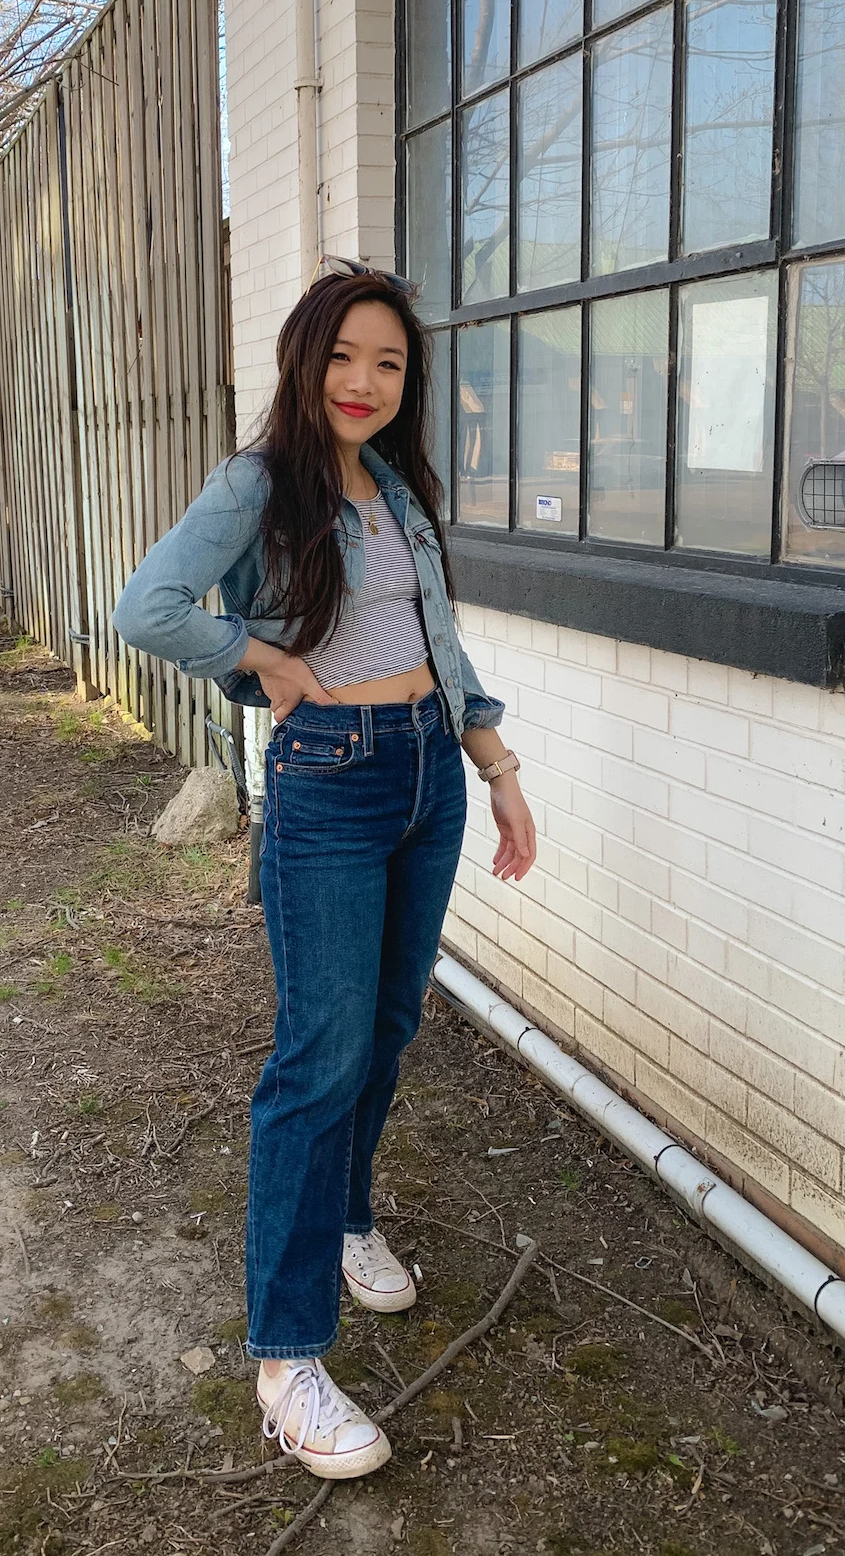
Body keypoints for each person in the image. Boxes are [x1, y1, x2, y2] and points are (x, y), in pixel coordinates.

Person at [112, 258, 536, 1480]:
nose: (364, 380)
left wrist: (495, 764)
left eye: (388, 361)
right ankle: (286, 1355)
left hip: (426, 774)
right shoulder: (260, 482)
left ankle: (350, 1219)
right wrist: (266, 663)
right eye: (343, 356)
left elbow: (434, 637)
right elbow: (146, 605)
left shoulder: (394, 486)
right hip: (330, 781)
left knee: (390, 1026)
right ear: (306, 361)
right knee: (318, 1056)